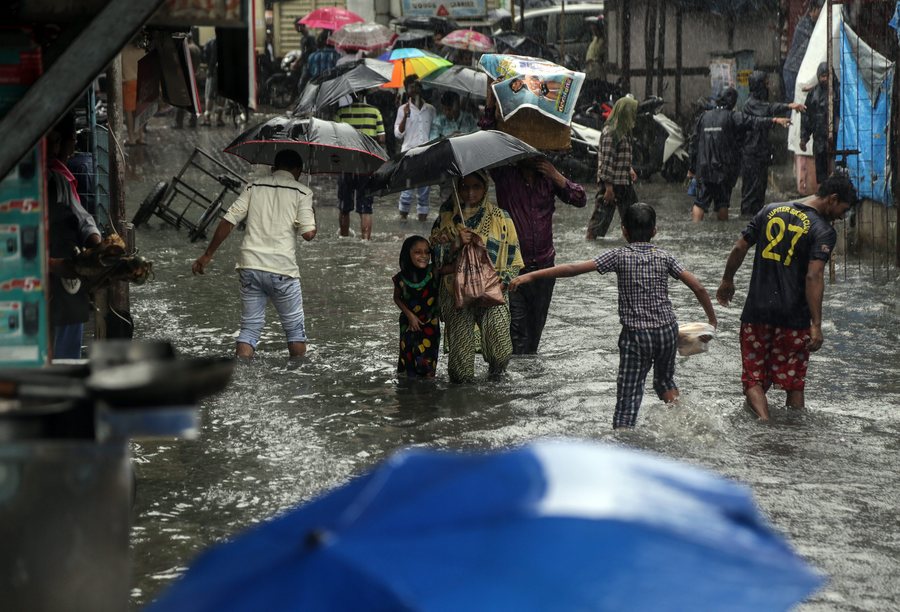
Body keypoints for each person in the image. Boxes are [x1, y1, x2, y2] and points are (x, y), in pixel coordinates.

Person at [510, 203, 717, 429]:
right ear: (655, 230)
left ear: (623, 230)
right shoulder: (665, 257)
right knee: (665, 381)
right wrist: (711, 322)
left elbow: (571, 268)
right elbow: (698, 287)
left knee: (628, 396)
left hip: (637, 336)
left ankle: (623, 439)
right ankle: (684, 423)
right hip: (668, 330)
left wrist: (530, 276)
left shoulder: (618, 256)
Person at [716, 173, 857, 422]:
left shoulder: (769, 210)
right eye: (843, 210)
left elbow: (739, 247)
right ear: (833, 199)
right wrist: (816, 324)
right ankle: (793, 435)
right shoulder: (822, 231)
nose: (842, 217)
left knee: (753, 377)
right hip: (793, 319)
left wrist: (727, 280)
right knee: (794, 383)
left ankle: (763, 422)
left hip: (756, 313)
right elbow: (814, 276)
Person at [191, 150, 316, 359]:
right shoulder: (303, 192)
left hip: (249, 266)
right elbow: (308, 234)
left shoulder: (254, 186)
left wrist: (207, 255)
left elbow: (229, 220)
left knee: (249, 329)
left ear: (273, 169)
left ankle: (239, 373)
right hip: (282, 270)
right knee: (294, 332)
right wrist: (313, 216)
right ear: (299, 171)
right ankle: (299, 381)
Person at [430, 171, 523, 383]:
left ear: (485, 188)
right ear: (457, 188)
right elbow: (433, 259)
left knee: (500, 348)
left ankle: (496, 377)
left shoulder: (501, 217)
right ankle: (463, 406)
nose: (470, 193)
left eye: (476, 187)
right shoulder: (445, 219)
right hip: (456, 291)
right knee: (461, 366)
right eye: (464, 187)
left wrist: (505, 281)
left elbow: (513, 257)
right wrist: (454, 243)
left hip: (493, 290)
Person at [489, 158, 586, 354]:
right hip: (513, 268)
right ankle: (514, 381)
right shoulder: (505, 175)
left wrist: (556, 175)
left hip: (545, 268)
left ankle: (527, 380)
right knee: (517, 337)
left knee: (533, 338)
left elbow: (580, 199)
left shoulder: (549, 179)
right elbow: (488, 128)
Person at [47, 114, 102, 359]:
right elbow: (83, 220)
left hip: (64, 270)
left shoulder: (60, 176)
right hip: (54, 266)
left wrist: (100, 250)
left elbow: (83, 221)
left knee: (65, 338)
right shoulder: (56, 176)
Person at [689, 88, 790, 222]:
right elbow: (754, 121)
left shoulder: (704, 117)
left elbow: (693, 143)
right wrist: (774, 120)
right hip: (723, 169)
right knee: (722, 203)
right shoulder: (733, 116)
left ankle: (695, 227)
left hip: (704, 168)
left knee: (700, 201)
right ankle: (722, 230)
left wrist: (691, 168)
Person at [739, 71, 806, 216]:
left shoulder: (758, 103)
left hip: (759, 154)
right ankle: (747, 222)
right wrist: (788, 107)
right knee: (751, 192)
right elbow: (768, 109)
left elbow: (769, 107)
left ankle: (755, 220)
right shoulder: (751, 104)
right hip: (752, 155)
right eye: (766, 84)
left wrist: (788, 107)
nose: (769, 87)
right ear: (759, 86)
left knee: (759, 191)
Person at [333, 95, 385, 240]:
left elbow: (333, 138)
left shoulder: (341, 113)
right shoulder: (375, 112)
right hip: (366, 166)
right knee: (366, 208)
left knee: (344, 208)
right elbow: (381, 139)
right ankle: (365, 242)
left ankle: (343, 239)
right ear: (365, 94)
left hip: (346, 165)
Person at [587, 96, 638, 239]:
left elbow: (621, 155)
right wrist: (608, 188)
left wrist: (630, 169)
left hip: (624, 183)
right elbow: (607, 161)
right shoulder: (611, 132)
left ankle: (633, 245)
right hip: (611, 185)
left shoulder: (625, 130)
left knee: (634, 221)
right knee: (598, 224)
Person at [392, 235, 441, 378]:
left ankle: (425, 397)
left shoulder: (434, 272)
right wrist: (410, 316)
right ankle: (408, 398)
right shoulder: (400, 278)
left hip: (430, 325)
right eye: (418, 252)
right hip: (408, 324)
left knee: (427, 366)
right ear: (408, 254)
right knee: (408, 366)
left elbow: (452, 267)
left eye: (427, 252)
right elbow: (396, 298)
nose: (424, 256)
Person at [395, 75, 436, 222]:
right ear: (406, 90)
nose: (414, 89)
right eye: (411, 86)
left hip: (426, 154)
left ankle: (422, 223)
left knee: (424, 192)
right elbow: (398, 134)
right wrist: (405, 116)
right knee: (406, 191)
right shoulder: (402, 109)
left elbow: (434, 131)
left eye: (417, 85)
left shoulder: (430, 109)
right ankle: (402, 220)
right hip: (408, 154)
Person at [800, 62, 840, 185]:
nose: (824, 79)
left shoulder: (838, 91)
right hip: (819, 139)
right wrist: (804, 138)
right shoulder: (814, 94)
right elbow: (807, 117)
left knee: (837, 168)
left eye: (827, 76)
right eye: (822, 76)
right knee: (822, 172)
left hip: (836, 138)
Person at [782, 0, 823, 103]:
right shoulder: (804, 26)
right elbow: (815, 42)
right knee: (794, 103)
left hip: (798, 70)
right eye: (819, 11)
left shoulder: (812, 25)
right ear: (813, 10)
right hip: (793, 70)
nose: (820, 16)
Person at [175, 34, 202, 129]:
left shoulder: (188, 49)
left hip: (187, 77)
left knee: (182, 99)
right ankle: (193, 121)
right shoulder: (196, 48)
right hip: (196, 76)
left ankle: (179, 122)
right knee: (193, 100)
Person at [122, 38, 145, 145]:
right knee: (139, 112)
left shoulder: (123, 51)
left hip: (128, 83)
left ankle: (131, 138)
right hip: (141, 82)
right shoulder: (142, 50)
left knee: (129, 113)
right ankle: (140, 136)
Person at [201, 37, 225, 127]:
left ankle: (207, 119)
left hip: (213, 72)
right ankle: (219, 119)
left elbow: (205, 56)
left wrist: (209, 67)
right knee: (221, 96)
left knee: (209, 95)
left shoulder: (211, 42)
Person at [583, 16, 607, 85]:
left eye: (595, 28)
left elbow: (602, 56)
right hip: (590, 69)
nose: (593, 30)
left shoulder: (603, 41)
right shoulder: (595, 39)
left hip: (596, 70)